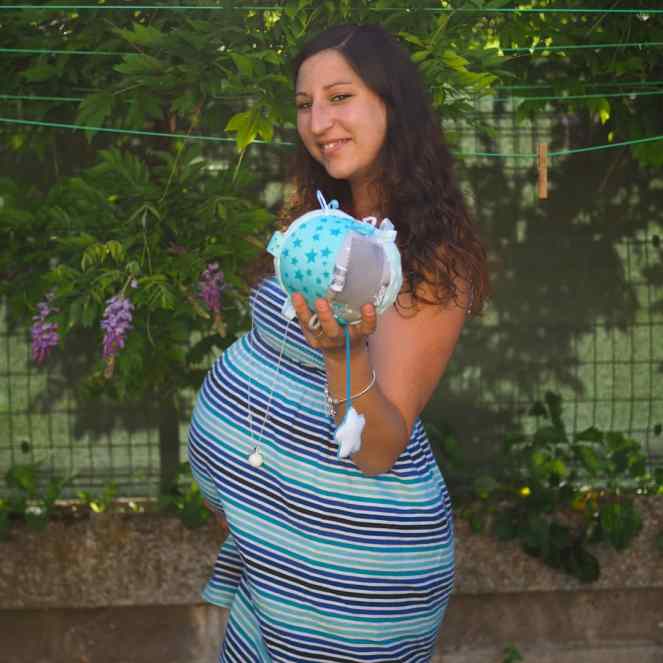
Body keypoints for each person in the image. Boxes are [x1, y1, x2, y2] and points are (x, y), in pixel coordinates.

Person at [187, 23, 489, 663]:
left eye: (340, 97)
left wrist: (342, 353)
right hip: (275, 548)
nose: (319, 122)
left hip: (351, 573)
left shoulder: (431, 256)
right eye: (305, 104)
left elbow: (376, 450)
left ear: (392, 103)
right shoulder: (320, 218)